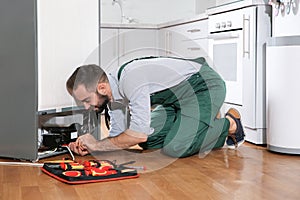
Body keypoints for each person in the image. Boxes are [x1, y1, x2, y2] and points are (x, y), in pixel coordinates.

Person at [66, 56, 245, 158]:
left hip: (203, 87)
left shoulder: (130, 79)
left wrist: (97, 144)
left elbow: (137, 134)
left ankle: (230, 124)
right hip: (175, 102)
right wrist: (91, 148)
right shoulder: (112, 98)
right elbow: (117, 138)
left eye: (87, 100)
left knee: (176, 148)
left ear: (101, 88)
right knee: (151, 140)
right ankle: (196, 123)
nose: (86, 106)